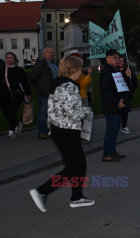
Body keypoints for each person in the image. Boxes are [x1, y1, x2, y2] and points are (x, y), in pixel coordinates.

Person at [29, 55, 94, 212]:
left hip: (62, 130)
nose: (82, 71)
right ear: (74, 69)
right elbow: (74, 113)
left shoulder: (59, 84)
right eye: (80, 68)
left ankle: (77, 197)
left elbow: (54, 110)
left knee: (79, 163)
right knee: (73, 167)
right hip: (66, 131)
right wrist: (87, 110)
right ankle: (42, 191)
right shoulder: (68, 86)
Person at [100, 49, 127, 162]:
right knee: (111, 129)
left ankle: (113, 151)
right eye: (114, 58)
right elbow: (106, 91)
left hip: (117, 104)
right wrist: (117, 102)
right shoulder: (106, 71)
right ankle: (107, 153)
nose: (117, 60)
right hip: (111, 105)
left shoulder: (114, 70)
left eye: (118, 58)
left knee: (115, 129)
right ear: (108, 58)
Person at [1, 52, 32, 138]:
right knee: (5, 112)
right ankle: (17, 123)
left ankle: (11, 132)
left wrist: (28, 93)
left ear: (14, 59)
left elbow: (25, 83)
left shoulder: (19, 70)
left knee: (12, 111)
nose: (9, 59)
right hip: (4, 95)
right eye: (7, 57)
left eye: (11, 58)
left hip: (16, 95)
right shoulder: (3, 70)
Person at [30, 47, 58, 139]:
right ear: (44, 54)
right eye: (48, 52)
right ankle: (42, 132)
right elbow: (33, 78)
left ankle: (49, 131)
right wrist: (41, 86)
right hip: (44, 93)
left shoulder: (54, 64)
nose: (50, 54)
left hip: (54, 92)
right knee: (43, 113)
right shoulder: (40, 64)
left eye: (51, 52)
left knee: (52, 113)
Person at [119, 56, 138, 134]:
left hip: (126, 94)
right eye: (118, 61)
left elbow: (134, 82)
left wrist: (131, 91)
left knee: (124, 111)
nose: (120, 62)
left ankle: (124, 126)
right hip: (117, 94)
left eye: (121, 61)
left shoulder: (129, 71)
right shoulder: (115, 70)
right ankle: (117, 126)